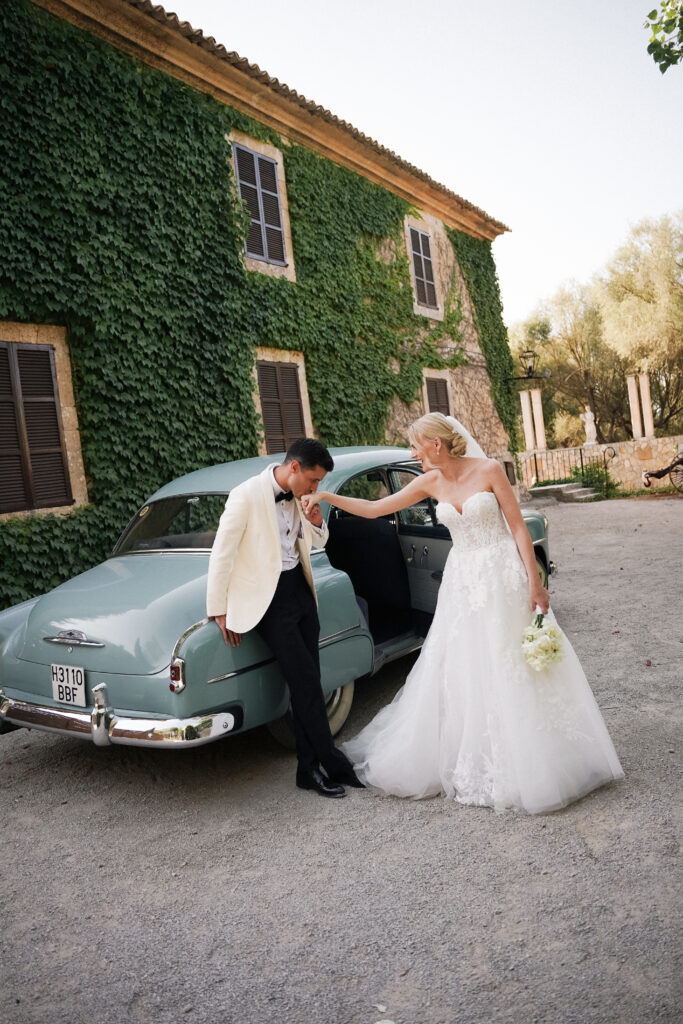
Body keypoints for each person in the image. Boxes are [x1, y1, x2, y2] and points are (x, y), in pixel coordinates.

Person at [302, 413, 623, 814]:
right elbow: (374, 507)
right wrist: (327, 497)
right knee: (466, 663)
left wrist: (535, 582)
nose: (412, 452)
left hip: (501, 573)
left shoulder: (489, 470)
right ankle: (480, 752)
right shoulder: (429, 481)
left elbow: (519, 528)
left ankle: (537, 757)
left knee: (512, 658)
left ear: (437, 443)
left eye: (416, 445)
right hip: (463, 580)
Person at [206, 438, 363, 799]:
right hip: (268, 600)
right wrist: (219, 608)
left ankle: (307, 770)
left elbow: (318, 542)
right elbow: (222, 554)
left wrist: (316, 519)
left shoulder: (301, 497)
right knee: (306, 681)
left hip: (301, 591)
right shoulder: (245, 496)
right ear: (294, 468)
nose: (315, 488)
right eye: (313, 481)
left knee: (309, 681)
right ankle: (331, 760)